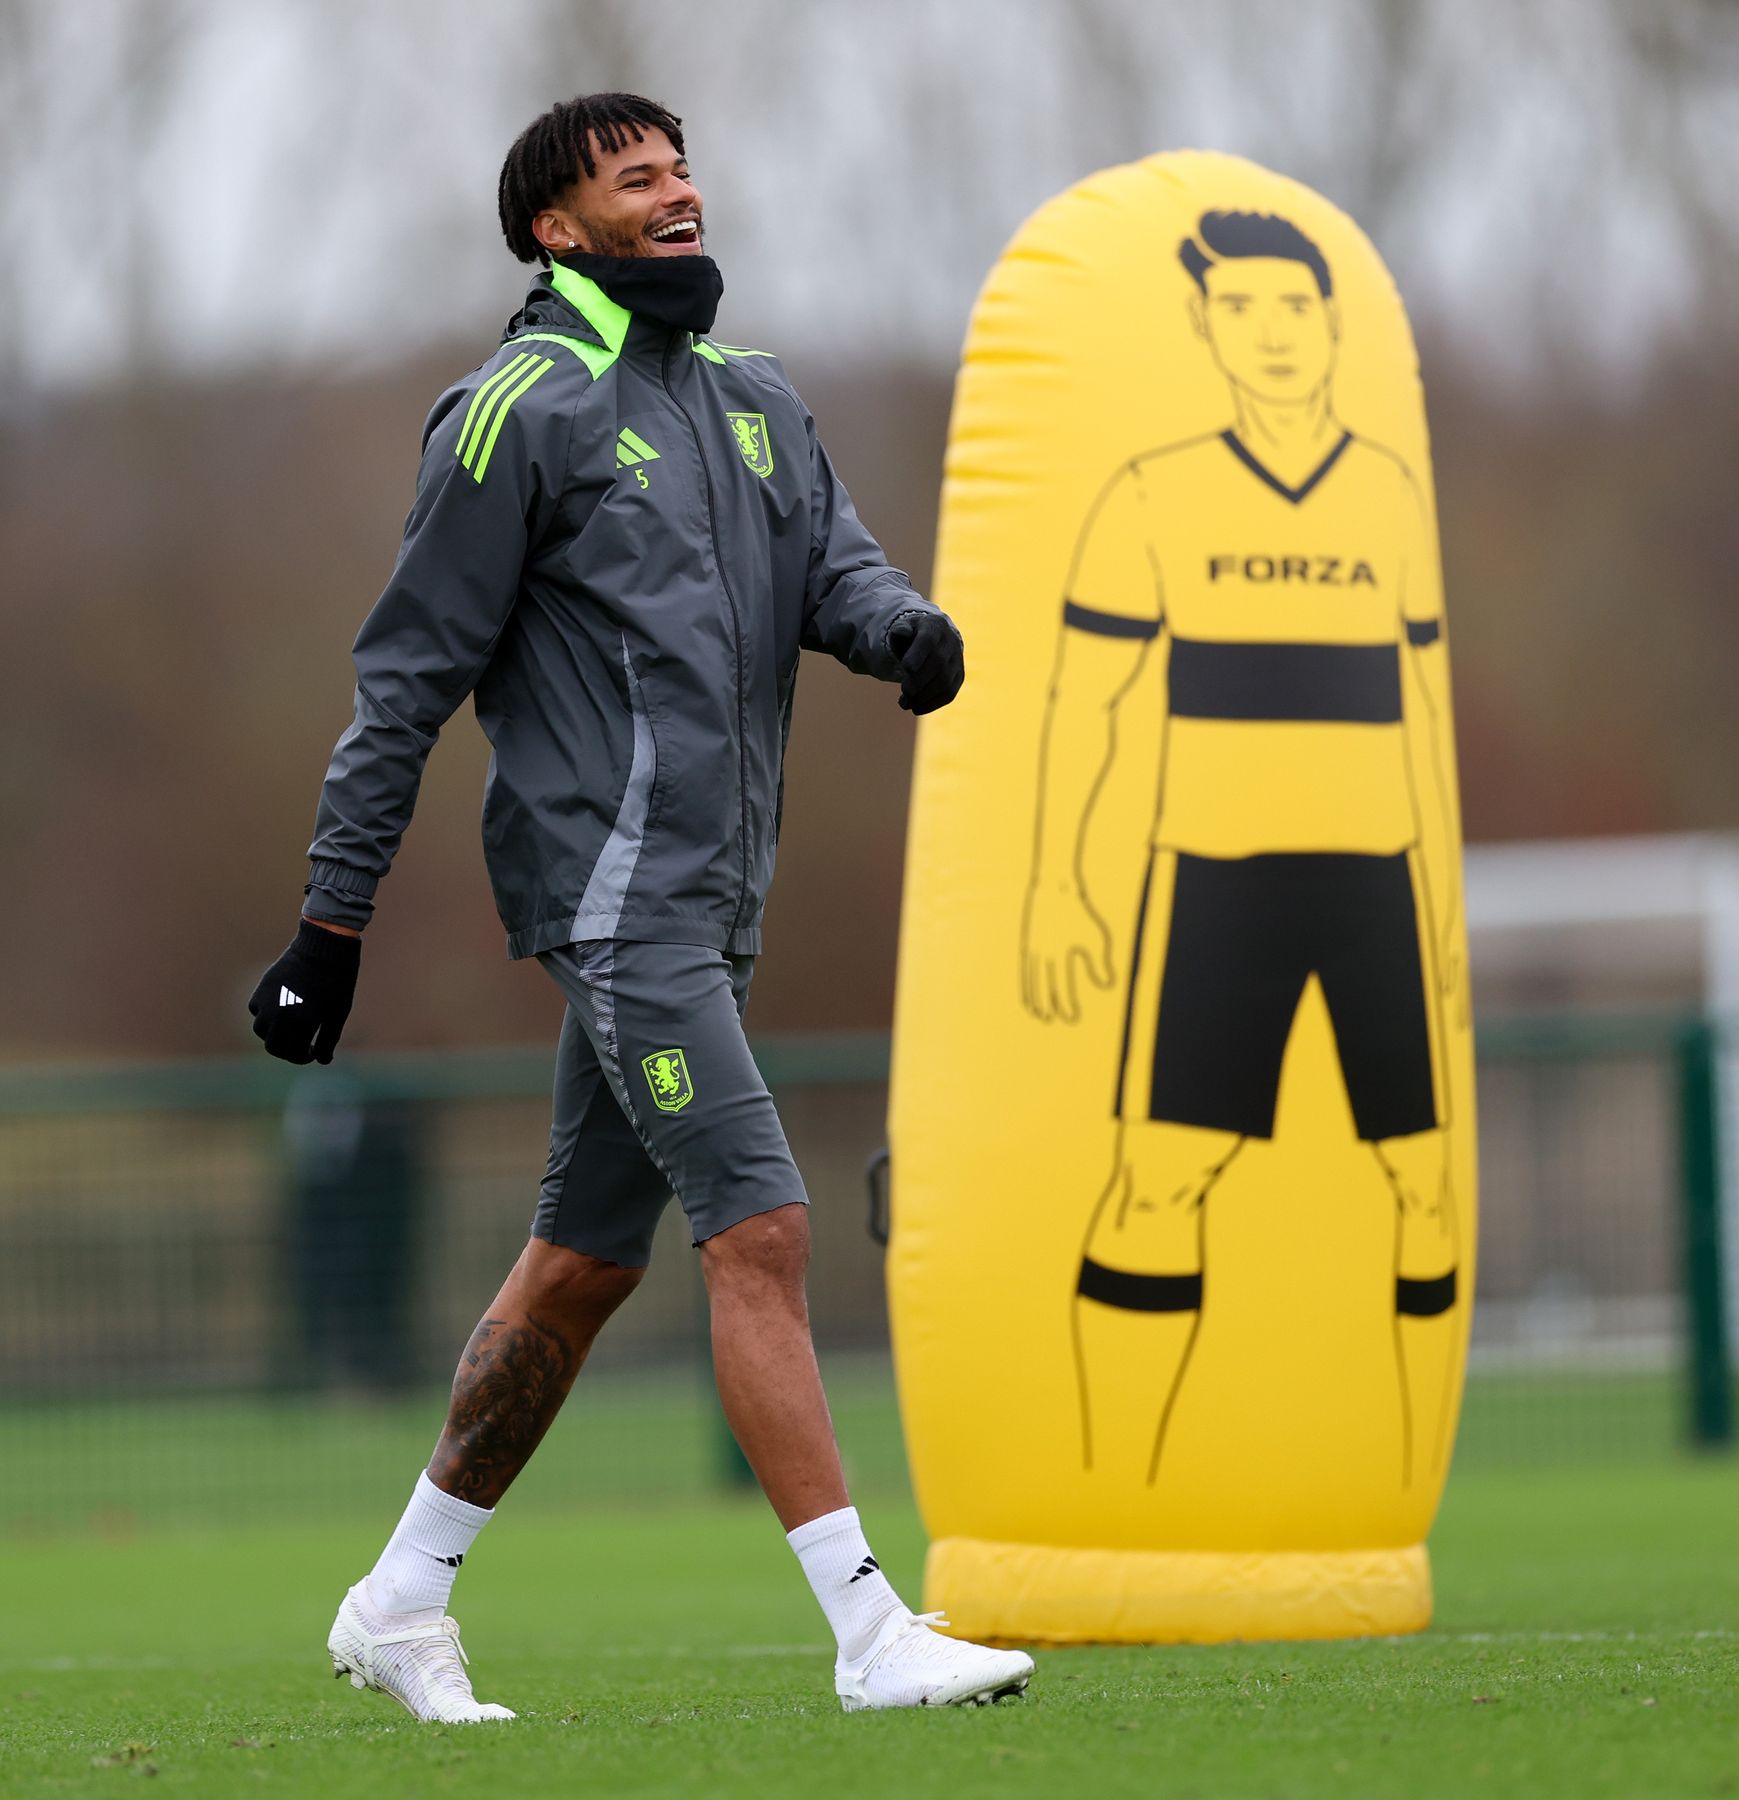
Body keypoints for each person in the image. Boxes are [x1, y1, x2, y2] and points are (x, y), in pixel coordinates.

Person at [247, 91, 1031, 1721]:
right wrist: (332, 927)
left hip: (710, 896)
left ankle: (399, 1600)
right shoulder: (512, 411)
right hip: (610, 895)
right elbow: (402, 685)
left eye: (679, 168)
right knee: (758, 1227)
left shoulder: (755, 397)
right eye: (634, 177)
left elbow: (835, 571)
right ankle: (869, 1629)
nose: (677, 192)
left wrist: (903, 635)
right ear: (555, 227)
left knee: (576, 1268)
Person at [1020, 210, 1462, 1493]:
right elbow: (1085, 704)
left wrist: (1440, 900)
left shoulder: (1384, 489)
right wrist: (1055, 883)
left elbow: (1424, 705)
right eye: (1240, 310)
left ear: (1329, 322)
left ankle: (1390, 1483)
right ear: (1206, 330)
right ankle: (1118, 1488)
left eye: (1292, 307)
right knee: (1158, 1177)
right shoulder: (1152, 492)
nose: (1269, 333)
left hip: (1375, 880)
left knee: (1422, 1184)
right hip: (1214, 884)